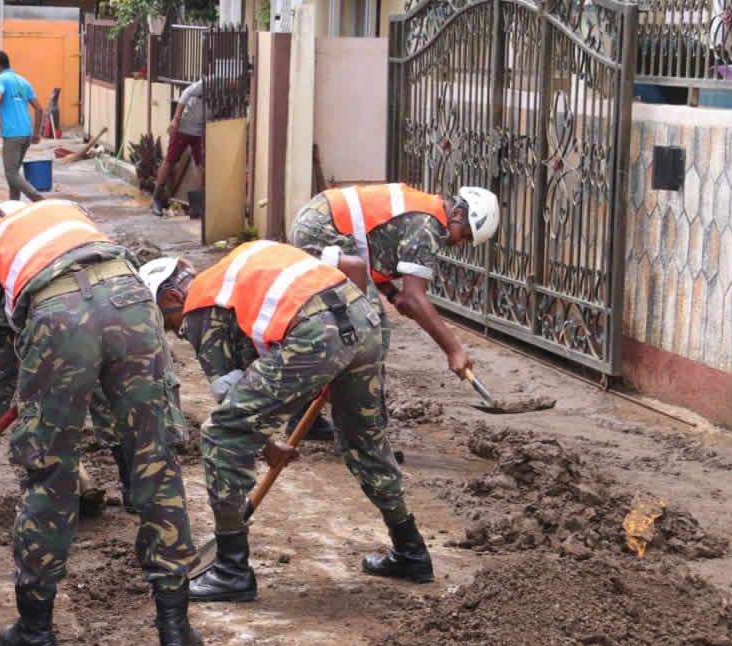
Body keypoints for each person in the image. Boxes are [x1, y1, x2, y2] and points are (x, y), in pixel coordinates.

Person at [0, 197, 202, 646]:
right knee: (156, 461)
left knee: (49, 470)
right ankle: (176, 630)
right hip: (133, 303)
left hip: (58, 318)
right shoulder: (56, 213)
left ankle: (36, 629)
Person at [139, 241, 436, 604]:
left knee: (219, 435)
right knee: (365, 443)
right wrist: (270, 444)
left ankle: (231, 571)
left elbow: (232, 407)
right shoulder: (234, 273)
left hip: (315, 330)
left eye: (167, 322)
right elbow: (253, 387)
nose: (175, 332)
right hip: (361, 318)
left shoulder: (200, 304)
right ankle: (411, 551)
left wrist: (261, 440)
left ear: (172, 296)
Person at [0, 201, 178, 518]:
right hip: (105, 301)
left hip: (59, 306)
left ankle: (103, 487)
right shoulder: (41, 214)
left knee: (84, 396)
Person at [286, 183, 501, 439]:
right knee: (371, 329)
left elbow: (371, 249)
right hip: (322, 232)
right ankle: (363, 432)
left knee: (344, 326)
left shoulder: (424, 212)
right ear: (457, 215)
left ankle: (309, 415)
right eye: (465, 235)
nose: (460, 243)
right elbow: (414, 297)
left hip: (318, 224)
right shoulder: (428, 225)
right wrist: (453, 350)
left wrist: (390, 293)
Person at [0, 51, 44, 202]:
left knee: (11, 175)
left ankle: (38, 198)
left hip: (13, 135)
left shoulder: (0, 79)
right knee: (13, 174)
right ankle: (14, 206)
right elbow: (39, 109)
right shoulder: (23, 81)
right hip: (26, 134)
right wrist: (36, 133)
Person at [150, 79, 205, 216]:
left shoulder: (231, 93)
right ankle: (156, 200)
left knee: (200, 164)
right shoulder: (209, 82)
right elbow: (186, 93)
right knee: (170, 161)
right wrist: (176, 118)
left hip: (201, 130)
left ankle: (196, 206)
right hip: (183, 127)